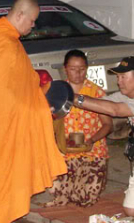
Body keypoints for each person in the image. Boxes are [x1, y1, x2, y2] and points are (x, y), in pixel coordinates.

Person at [0, 0, 67, 223]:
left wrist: (36, 87)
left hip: (9, 118)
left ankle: (3, 222)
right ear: (20, 15)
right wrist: (30, 106)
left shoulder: (10, 39)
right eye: (32, 21)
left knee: (11, 171)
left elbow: (17, 78)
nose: (32, 26)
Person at [72, 55, 134, 219]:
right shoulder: (126, 94)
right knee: (130, 211)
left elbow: (115, 110)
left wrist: (74, 98)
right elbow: (101, 103)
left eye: (123, 76)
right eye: (117, 76)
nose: (119, 81)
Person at [47, 49, 111, 207]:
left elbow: (108, 124)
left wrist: (92, 140)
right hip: (65, 152)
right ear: (65, 69)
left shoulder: (96, 92)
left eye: (82, 69)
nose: (78, 73)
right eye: (73, 69)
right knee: (57, 192)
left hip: (92, 152)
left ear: (87, 69)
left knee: (86, 197)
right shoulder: (57, 91)